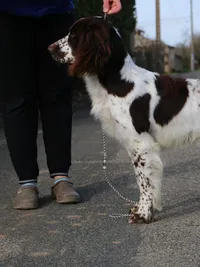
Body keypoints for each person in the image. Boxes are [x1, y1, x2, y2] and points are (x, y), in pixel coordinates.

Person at [0, 0, 122, 210]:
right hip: (8, 13)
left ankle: (60, 178)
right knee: (17, 97)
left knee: (57, 95)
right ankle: (26, 183)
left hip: (56, 11)